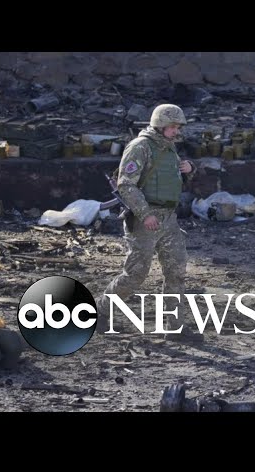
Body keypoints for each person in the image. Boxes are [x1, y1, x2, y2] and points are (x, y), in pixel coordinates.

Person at [96, 104, 201, 342]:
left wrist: (189, 169)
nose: (176, 131)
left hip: (169, 219)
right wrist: (145, 214)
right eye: (173, 127)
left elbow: (171, 179)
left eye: (178, 127)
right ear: (160, 125)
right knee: (135, 275)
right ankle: (101, 310)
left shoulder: (168, 147)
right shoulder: (140, 147)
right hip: (146, 221)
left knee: (176, 272)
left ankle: (174, 327)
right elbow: (126, 185)